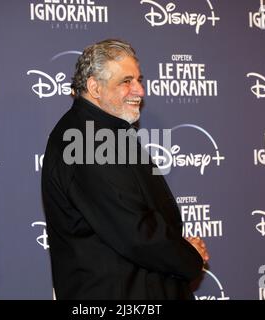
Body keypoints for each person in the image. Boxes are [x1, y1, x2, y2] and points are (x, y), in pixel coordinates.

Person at [41, 39, 209, 299]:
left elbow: (138, 218)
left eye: (139, 80)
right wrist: (189, 257)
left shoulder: (103, 132)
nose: (139, 90)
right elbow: (136, 232)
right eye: (126, 81)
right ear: (94, 87)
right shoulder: (86, 141)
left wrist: (180, 250)